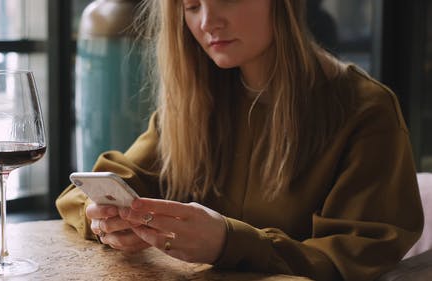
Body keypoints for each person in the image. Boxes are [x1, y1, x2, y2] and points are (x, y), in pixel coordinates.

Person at [56, 0, 424, 280]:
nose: (207, 22)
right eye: (192, 5)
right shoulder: (194, 105)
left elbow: (356, 262)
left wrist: (227, 242)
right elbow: (87, 191)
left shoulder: (365, 111)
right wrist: (103, 218)